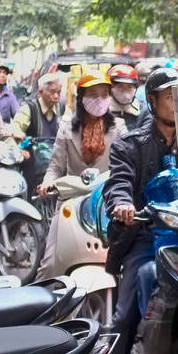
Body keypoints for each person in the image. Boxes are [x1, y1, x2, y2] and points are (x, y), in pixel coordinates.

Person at [101, 67, 178, 354]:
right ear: (151, 101)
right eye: (169, 97)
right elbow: (117, 182)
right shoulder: (130, 145)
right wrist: (123, 204)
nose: (177, 102)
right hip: (146, 236)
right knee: (126, 316)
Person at [36, 72, 126, 279]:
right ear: (81, 98)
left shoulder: (119, 127)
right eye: (93, 95)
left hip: (107, 202)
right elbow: (55, 167)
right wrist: (47, 183)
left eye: (104, 94)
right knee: (51, 262)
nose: (99, 100)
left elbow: (125, 165)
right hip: (71, 202)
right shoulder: (66, 128)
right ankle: (46, 297)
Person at [13, 71, 67, 195]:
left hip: (56, 158)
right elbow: (15, 128)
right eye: (52, 92)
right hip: (35, 162)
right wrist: (18, 134)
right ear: (41, 92)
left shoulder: (61, 108)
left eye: (59, 92)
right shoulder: (29, 109)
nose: (56, 96)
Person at [107, 62, 142, 127]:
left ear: (135, 88)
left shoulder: (142, 110)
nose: (125, 91)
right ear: (110, 88)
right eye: (120, 86)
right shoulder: (104, 111)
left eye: (129, 87)